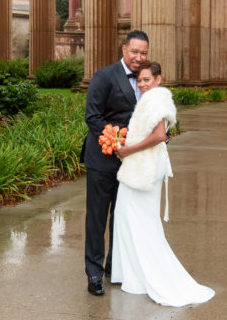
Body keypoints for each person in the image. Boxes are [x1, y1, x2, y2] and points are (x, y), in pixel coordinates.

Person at [112, 61, 215, 307]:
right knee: (130, 217)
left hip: (144, 166)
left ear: (158, 79)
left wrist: (127, 150)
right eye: (139, 80)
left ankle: (145, 276)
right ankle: (134, 276)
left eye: (147, 79)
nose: (142, 84)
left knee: (138, 219)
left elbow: (160, 136)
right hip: (143, 165)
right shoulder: (154, 99)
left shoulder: (156, 100)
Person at [80, 30, 149, 296]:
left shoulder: (146, 81)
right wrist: (116, 141)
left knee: (121, 216)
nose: (138, 57)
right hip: (102, 160)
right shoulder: (104, 76)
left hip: (131, 162)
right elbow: (92, 117)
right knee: (96, 218)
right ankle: (94, 273)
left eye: (143, 53)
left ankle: (113, 267)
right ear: (124, 49)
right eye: (134, 52)